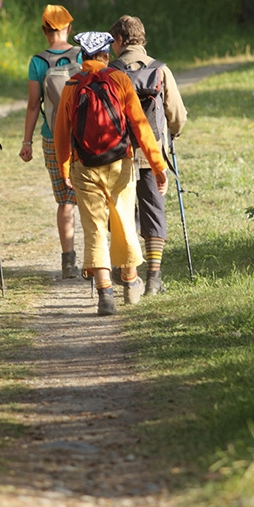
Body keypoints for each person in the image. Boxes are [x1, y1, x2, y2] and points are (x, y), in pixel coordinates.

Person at [53, 31, 168, 316]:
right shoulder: (119, 80)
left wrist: (65, 167)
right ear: (106, 55)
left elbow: (61, 133)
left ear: (82, 56)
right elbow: (141, 127)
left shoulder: (72, 85)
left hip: (84, 168)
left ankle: (105, 295)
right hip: (120, 165)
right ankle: (129, 282)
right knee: (124, 223)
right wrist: (158, 167)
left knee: (94, 231)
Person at [108, 15, 188, 295]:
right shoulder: (160, 70)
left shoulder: (111, 72)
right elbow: (177, 115)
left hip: (119, 154)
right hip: (153, 153)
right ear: (142, 39)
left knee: (123, 212)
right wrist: (172, 134)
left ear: (119, 40)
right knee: (154, 210)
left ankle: (127, 271)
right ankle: (154, 277)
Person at [18, 4, 83, 279]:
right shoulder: (83, 54)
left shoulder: (38, 62)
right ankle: (101, 257)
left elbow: (34, 105)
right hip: (85, 136)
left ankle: (68, 262)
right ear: (68, 27)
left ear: (44, 29)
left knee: (65, 200)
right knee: (93, 196)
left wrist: (27, 141)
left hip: (53, 138)